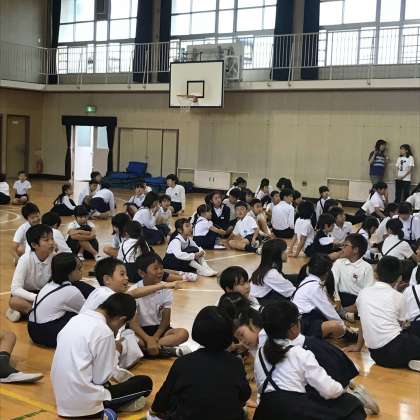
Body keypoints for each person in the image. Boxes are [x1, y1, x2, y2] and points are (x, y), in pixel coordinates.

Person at [232, 304, 379, 416]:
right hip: (295, 411)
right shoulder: (299, 353)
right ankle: (352, 394)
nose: (241, 342)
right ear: (294, 327)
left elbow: (261, 390)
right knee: (350, 405)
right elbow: (330, 391)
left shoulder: (260, 353)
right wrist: (342, 393)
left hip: (266, 412)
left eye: (242, 335)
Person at [51, 293, 153, 418]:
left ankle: (121, 402)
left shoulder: (76, 319)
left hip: (61, 399)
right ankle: (116, 405)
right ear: (121, 319)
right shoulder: (104, 332)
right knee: (145, 382)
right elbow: (100, 379)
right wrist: (115, 352)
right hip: (85, 405)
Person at [147, 306, 251, 420]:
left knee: (171, 401)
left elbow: (162, 399)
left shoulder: (183, 363)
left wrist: (154, 410)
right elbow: (245, 395)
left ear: (197, 330)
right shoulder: (236, 363)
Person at [346, 256, 420, 372]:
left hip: (376, 355)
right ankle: (412, 360)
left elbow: (362, 322)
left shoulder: (363, 293)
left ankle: (409, 361)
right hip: (395, 348)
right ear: (399, 278)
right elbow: (401, 325)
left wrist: (358, 346)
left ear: (375, 274)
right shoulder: (398, 296)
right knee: (413, 334)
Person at [129, 253, 190, 358]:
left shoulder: (166, 288)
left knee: (183, 333)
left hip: (159, 330)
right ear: (142, 273)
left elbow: (165, 320)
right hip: (140, 331)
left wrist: (155, 338)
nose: (160, 271)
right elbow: (133, 324)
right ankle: (162, 349)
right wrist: (148, 339)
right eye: (155, 268)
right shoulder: (134, 290)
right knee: (131, 338)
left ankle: (150, 350)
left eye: (161, 268)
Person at [27, 253, 91, 348]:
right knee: (86, 320)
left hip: (32, 329)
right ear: (69, 272)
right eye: (78, 268)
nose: (82, 270)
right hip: (46, 333)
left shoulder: (49, 284)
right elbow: (88, 312)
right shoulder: (71, 291)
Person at [292, 254, 347, 340]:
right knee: (338, 326)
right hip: (302, 323)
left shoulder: (307, 280)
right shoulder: (315, 287)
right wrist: (345, 327)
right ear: (327, 272)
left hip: (299, 320)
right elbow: (329, 312)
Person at [7, 224, 55, 322]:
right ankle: (40, 314)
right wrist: (38, 298)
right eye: (46, 240)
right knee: (14, 301)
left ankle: (29, 313)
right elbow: (15, 289)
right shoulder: (25, 259)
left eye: (52, 239)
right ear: (34, 245)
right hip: (28, 294)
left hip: (45, 293)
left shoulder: (55, 258)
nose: (51, 242)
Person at [332, 234, 374, 313]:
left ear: (355, 250)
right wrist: (337, 299)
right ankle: (341, 312)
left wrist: (356, 305)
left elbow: (367, 292)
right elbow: (333, 282)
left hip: (356, 303)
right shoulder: (339, 262)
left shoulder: (366, 267)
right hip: (339, 299)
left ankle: (343, 313)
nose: (342, 248)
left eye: (345, 245)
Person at [250, 239, 295, 306]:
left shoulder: (266, 267)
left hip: (260, 296)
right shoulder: (271, 273)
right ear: (277, 255)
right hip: (259, 302)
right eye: (284, 250)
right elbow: (291, 292)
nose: (287, 252)